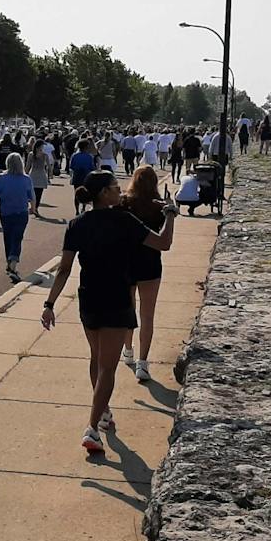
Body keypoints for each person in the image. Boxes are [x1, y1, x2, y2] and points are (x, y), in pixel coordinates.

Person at [39, 170, 175, 455]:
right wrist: (171, 215)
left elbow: (64, 269)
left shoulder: (77, 224)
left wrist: (49, 305)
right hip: (116, 299)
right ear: (103, 193)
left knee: (96, 358)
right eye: (115, 188)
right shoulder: (124, 221)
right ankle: (92, 428)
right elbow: (163, 244)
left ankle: (103, 412)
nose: (120, 192)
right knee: (107, 368)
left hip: (89, 299)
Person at [120, 165, 169, 384]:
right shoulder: (157, 207)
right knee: (147, 315)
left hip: (127, 263)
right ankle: (143, 362)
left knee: (128, 311)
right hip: (150, 263)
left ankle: (128, 350)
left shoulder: (125, 203)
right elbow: (164, 237)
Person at [0, 153, 35, 281]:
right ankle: (13, 262)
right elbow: (31, 196)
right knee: (17, 237)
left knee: (8, 237)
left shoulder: (2, 178)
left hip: (6, 212)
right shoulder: (26, 179)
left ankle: (10, 262)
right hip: (21, 212)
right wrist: (33, 208)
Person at [68, 138, 96, 215]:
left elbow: (72, 166)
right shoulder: (89, 156)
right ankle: (83, 208)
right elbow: (92, 167)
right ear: (86, 147)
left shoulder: (74, 156)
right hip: (86, 177)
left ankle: (77, 210)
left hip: (77, 177)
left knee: (76, 194)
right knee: (85, 193)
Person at [29, 142, 51, 217]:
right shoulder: (45, 155)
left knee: (33, 193)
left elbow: (27, 167)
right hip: (41, 175)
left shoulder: (31, 154)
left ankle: (33, 208)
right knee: (39, 194)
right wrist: (49, 176)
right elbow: (49, 167)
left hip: (33, 175)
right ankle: (35, 208)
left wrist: (25, 175)